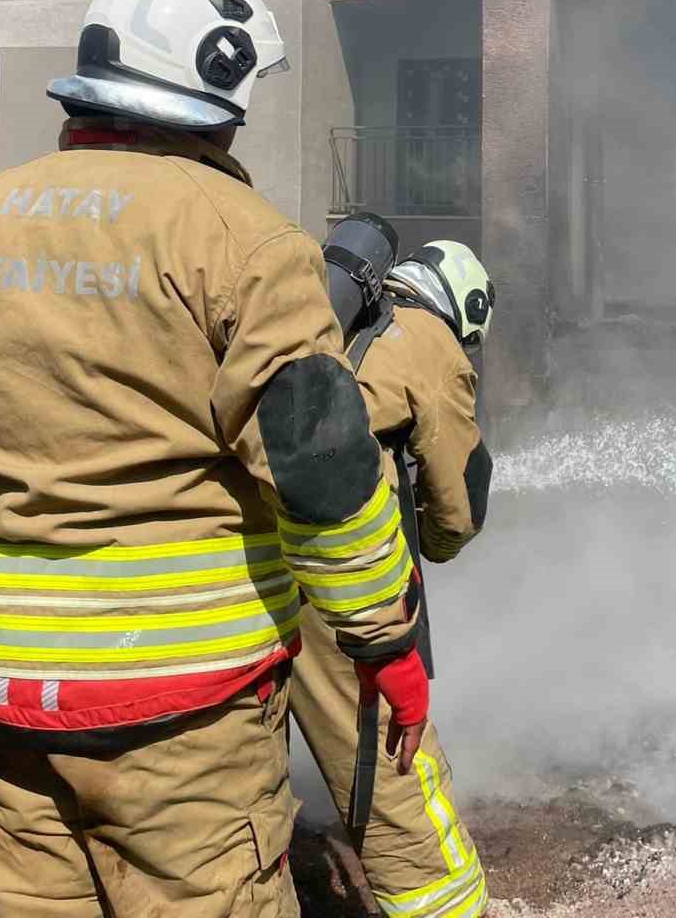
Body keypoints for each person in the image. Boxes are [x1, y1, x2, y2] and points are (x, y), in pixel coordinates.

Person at [0, 0, 427, 918]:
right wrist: (383, 640)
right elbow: (323, 471)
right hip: (184, 717)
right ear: (222, 81)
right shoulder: (248, 245)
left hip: (3, 704)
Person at [290, 240, 495, 918]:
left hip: (234, 538)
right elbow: (454, 497)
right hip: (330, 549)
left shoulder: (333, 316)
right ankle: (442, 902)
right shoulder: (430, 340)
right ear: (462, 311)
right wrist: (434, 544)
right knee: (382, 744)